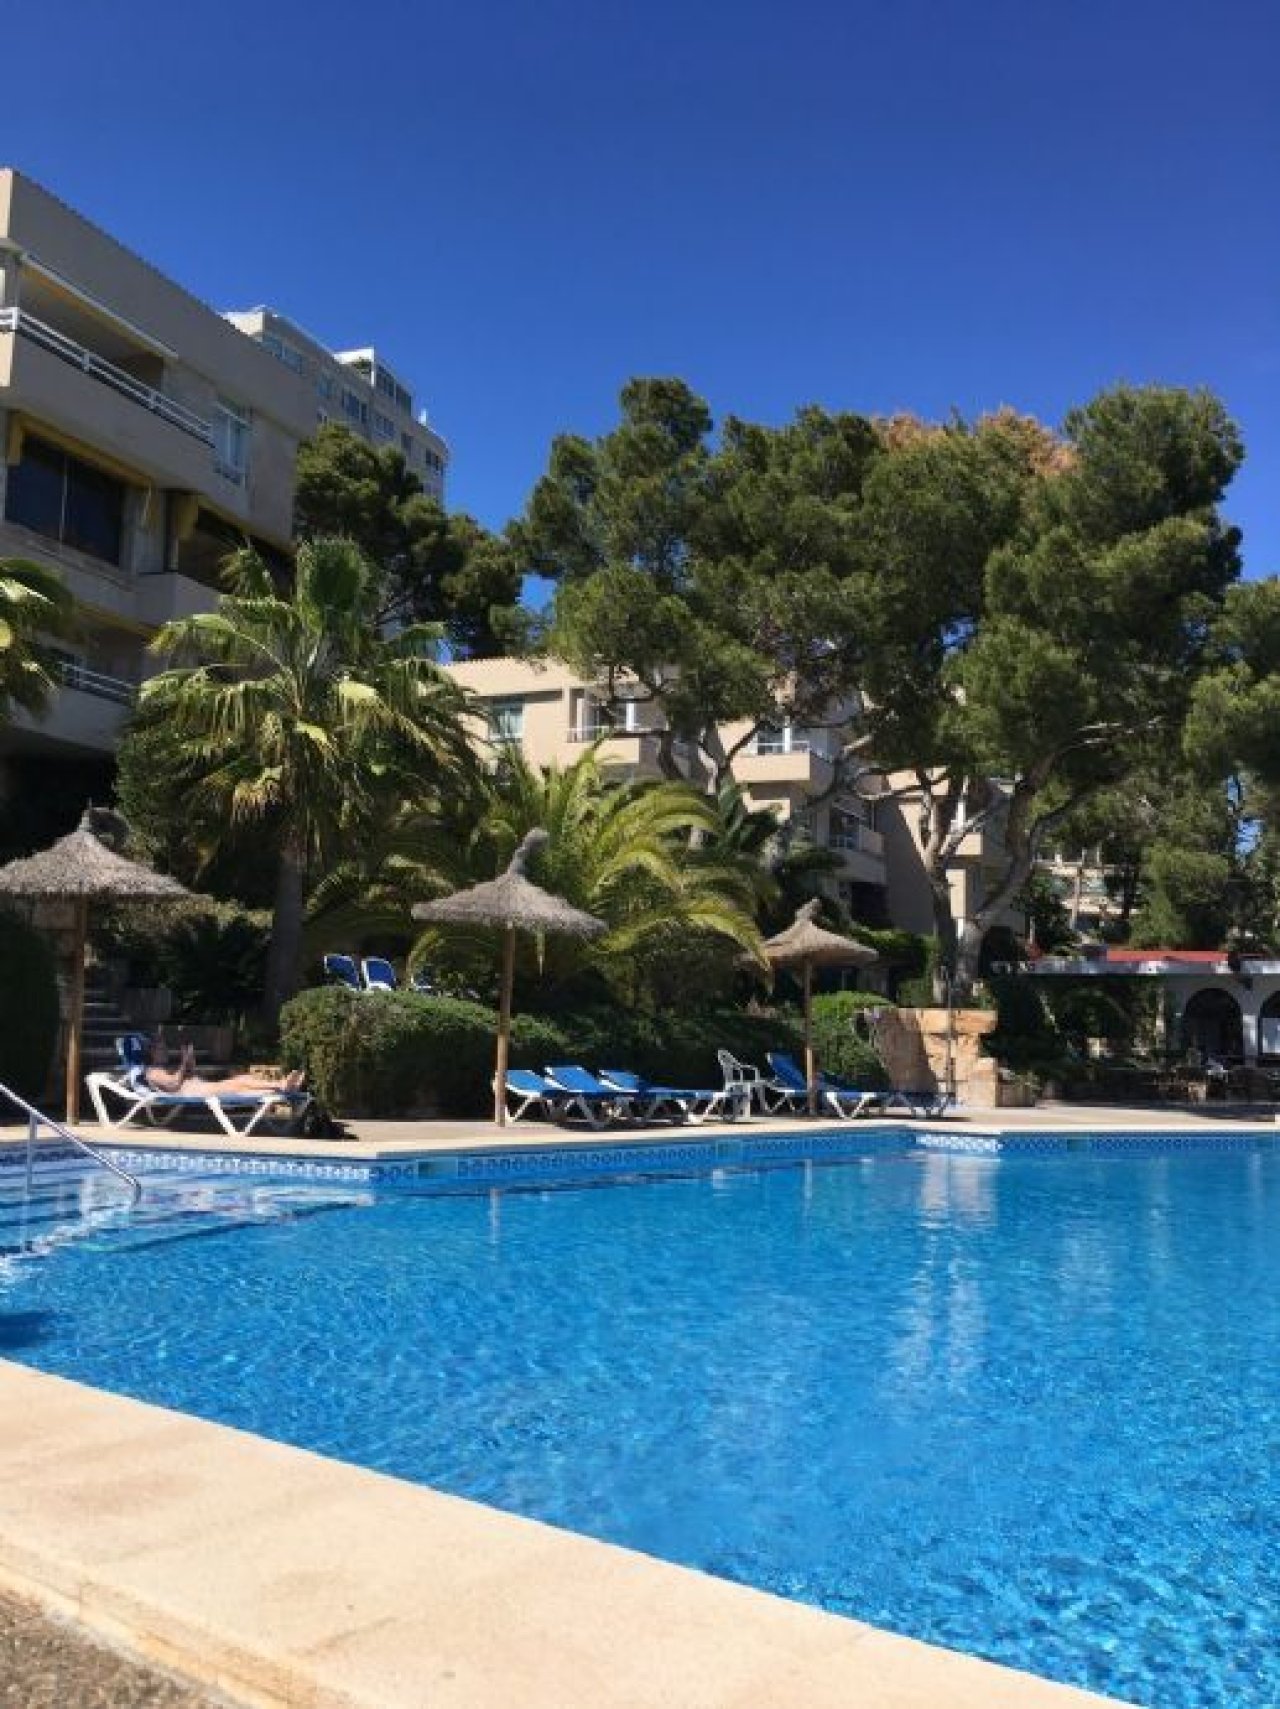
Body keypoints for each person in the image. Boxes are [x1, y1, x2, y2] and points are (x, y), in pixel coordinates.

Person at [142, 1042, 304, 1097]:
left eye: (165, 1048)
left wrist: (189, 1063)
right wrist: (184, 1064)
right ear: (151, 1053)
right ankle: (281, 1086)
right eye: (160, 1049)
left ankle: (282, 1087)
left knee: (243, 1080)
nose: (165, 1052)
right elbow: (173, 1084)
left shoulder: (165, 1067)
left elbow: (187, 1075)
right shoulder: (153, 1072)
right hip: (196, 1092)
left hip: (202, 1087)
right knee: (237, 1085)